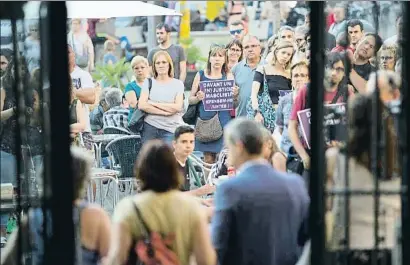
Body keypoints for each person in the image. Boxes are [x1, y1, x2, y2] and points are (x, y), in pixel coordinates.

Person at [211, 118, 309, 265]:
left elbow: (219, 245)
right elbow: (306, 236)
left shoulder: (230, 189)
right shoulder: (296, 184)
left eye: (228, 146)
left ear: (238, 146)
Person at [105, 140, 216, 265]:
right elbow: (206, 260)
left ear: (141, 170)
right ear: (174, 171)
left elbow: (117, 259)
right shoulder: (191, 208)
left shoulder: (127, 208)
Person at [1, 146, 112, 265]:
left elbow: (8, 259)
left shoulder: (34, 218)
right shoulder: (95, 216)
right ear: (83, 178)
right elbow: (113, 258)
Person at [188, 45, 237, 164]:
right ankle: (208, 182)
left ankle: (220, 182)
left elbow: (234, 104)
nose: (217, 59)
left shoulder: (229, 75)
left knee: (224, 158)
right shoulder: (200, 75)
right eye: (214, 55)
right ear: (209, 59)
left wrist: (235, 95)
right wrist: (198, 97)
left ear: (225, 59)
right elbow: (190, 99)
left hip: (224, 120)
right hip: (205, 121)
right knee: (208, 158)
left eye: (220, 56)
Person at [138, 51, 185, 144]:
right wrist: (166, 112)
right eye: (158, 63)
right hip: (150, 128)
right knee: (150, 158)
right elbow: (142, 105)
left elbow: (177, 107)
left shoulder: (178, 84)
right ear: (154, 66)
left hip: (170, 130)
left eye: (164, 62)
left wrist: (153, 103)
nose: (161, 65)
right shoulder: (148, 82)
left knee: (168, 158)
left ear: (169, 65)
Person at [273, 61, 310, 172]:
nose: (299, 79)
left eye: (303, 75)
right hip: (288, 153)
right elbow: (279, 126)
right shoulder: (284, 100)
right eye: (295, 76)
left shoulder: (314, 99)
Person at [250, 40, 294, 131]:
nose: (285, 56)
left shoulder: (290, 74)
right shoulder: (263, 69)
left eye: (289, 54)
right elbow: (253, 94)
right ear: (276, 51)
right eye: (283, 52)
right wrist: (256, 112)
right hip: (264, 116)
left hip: (283, 118)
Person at [173, 125, 215, 197]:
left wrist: (203, 202)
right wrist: (200, 191)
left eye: (191, 142)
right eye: (184, 142)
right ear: (174, 144)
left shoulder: (186, 161)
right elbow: (171, 198)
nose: (188, 146)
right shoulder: (169, 164)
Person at [232, 35, 263, 117]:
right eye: (246, 47)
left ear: (260, 48)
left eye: (253, 46)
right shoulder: (236, 69)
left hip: (265, 118)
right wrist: (234, 96)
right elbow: (232, 102)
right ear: (243, 50)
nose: (250, 49)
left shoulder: (268, 66)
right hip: (242, 119)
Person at [124, 56, 149, 123]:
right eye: (136, 68)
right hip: (137, 122)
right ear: (133, 70)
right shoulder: (130, 86)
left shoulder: (153, 83)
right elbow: (133, 104)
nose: (139, 70)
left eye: (142, 67)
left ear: (147, 68)